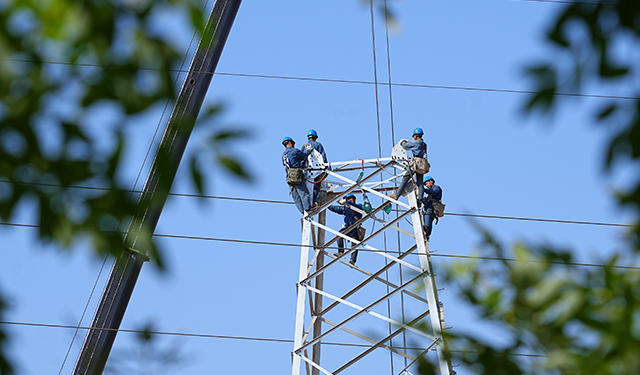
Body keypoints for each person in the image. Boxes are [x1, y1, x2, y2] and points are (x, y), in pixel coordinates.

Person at [391, 127, 428, 203]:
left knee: (405, 178)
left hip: (415, 164)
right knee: (420, 183)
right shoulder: (424, 144)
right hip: (422, 165)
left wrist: (402, 142)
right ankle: (420, 199)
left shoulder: (416, 143)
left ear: (416, 136)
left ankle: (396, 194)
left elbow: (406, 146)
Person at [328, 194, 363, 265]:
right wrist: (327, 205)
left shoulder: (358, 207)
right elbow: (336, 209)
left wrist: (346, 202)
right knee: (339, 235)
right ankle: (341, 252)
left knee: (355, 244)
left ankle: (353, 260)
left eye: (351, 199)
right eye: (348, 199)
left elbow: (359, 207)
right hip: (347, 227)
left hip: (355, 228)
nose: (350, 200)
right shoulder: (345, 209)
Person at [282, 136, 312, 214]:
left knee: (295, 196)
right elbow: (303, 155)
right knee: (303, 192)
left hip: (289, 177)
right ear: (290, 143)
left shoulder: (283, 155)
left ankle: (302, 211)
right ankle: (308, 209)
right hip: (297, 175)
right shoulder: (294, 151)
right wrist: (309, 151)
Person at [301, 129, 328, 205]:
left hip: (308, 171)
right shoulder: (318, 145)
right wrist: (325, 167)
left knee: (307, 187)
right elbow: (323, 157)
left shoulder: (304, 146)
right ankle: (313, 202)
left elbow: (301, 159)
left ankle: (307, 203)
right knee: (316, 187)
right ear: (315, 137)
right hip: (317, 170)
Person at [420, 176, 442, 241]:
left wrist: (423, 189)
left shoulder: (436, 188)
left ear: (431, 182)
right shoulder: (429, 194)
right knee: (426, 216)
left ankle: (427, 230)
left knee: (428, 215)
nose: (426, 185)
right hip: (429, 207)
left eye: (427, 183)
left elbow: (433, 192)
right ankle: (426, 233)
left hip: (433, 207)